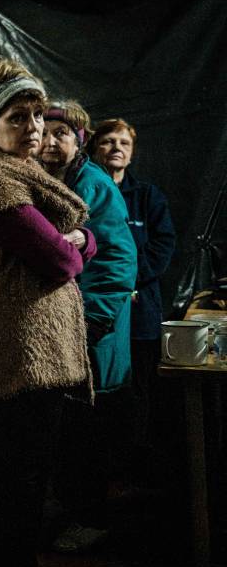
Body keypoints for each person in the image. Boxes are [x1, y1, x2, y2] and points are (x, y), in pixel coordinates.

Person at [0, 57, 97, 567]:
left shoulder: (26, 173)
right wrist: (77, 244)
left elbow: (83, 240)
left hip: (38, 348)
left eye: (38, 115)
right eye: (19, 117)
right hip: (21, 349)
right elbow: (60, 259)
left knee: (24, 471)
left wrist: (77, 243)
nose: (34, 127)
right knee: (14, 473)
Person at [39, 101, 138, 553]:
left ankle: (91, 519)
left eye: (64, 133)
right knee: (65, 432)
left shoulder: (92, 184)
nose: (52, 140)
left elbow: (117, 262)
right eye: (47, 130)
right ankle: (68, 505)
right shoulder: (43, 181)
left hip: (91, 336)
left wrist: (91, 326)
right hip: (58, 334)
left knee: (88, 434)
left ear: (79, 140)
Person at [87, 118, 176, 480]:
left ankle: (133, 463)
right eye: (108, 141)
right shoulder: (85, 192)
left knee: (137, 389)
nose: (116, 147)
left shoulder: (148, 196)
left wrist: (128, 282)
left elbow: (163, 244)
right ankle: (99, 465)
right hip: (97, 311)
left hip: (140, 313)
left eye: (124, 142)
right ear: (94, 149)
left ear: (133, 151)